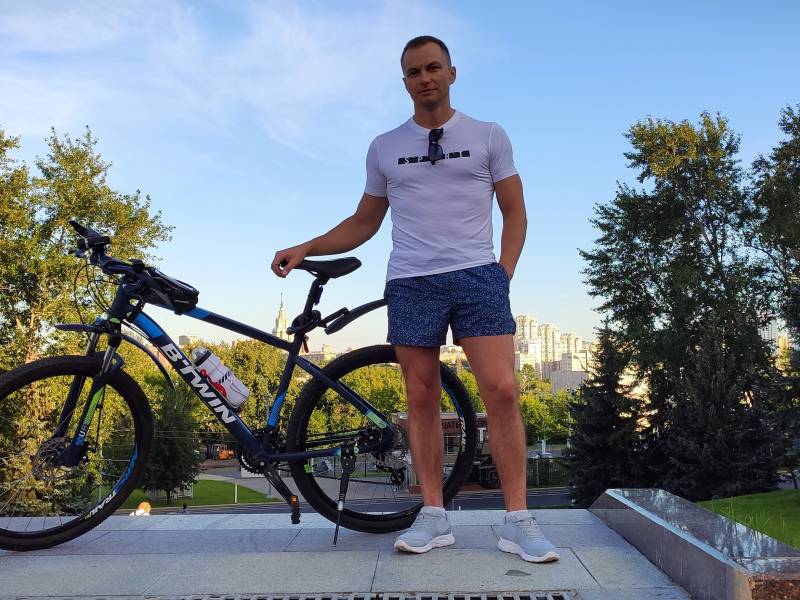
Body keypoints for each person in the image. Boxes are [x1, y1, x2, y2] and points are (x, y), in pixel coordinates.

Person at [271, 35, 558, 564]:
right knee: (420, 396)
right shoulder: (384, 146)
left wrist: (504, 273)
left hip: (478, 277)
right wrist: (307, 246)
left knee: (501, 391)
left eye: (432, 68)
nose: (424, 78)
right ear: (404, 81)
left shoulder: (488, 135)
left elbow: (515, 211)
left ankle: (518, 519)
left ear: (451, 73)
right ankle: (433, 515)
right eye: (413, 72)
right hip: (411, 281)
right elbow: (364, 221)